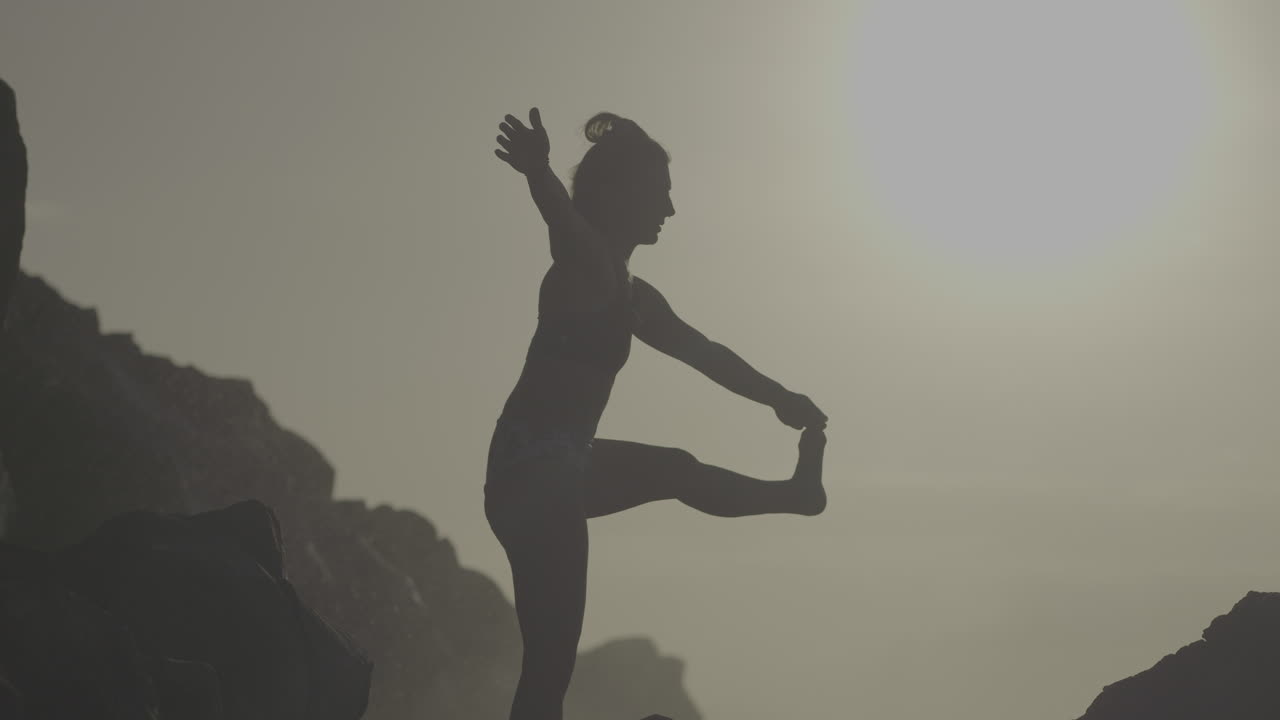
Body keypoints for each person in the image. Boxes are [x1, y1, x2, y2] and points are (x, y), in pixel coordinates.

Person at [489, 108, 828, 720]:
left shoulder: (631, 295)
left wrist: (780, 398)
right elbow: (562, 224)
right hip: (534, 475)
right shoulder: (586, 264)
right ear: (621, 195)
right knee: (548, 668)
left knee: (675, 469)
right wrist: (538, 173)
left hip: (561, 469)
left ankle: (797, 495)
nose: (670, 211)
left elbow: (706, 355)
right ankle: (796, 496)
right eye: (661, 195)